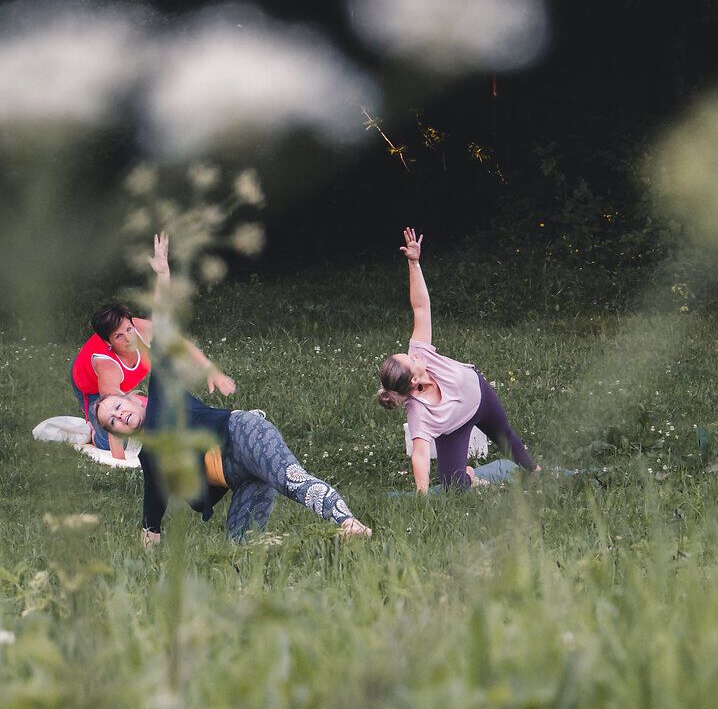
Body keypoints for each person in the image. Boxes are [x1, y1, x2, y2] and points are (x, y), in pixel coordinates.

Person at [94, 375, 371, 546]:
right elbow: (153, 506)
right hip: (239, 477)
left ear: (133, 399)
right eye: (112, 421)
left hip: (243, 434)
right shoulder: (151, 456)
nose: (119, 416)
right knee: (240, 546)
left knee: (290, 479)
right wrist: (148, 544)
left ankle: (349, 524)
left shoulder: (160, 393)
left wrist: (164, 279)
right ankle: (283, 565)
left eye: (118, 407)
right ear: (117, 433)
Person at [375, 228, 537, 492]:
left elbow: (420, 306)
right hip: (455, 428)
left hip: (480, 397)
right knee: (454, 486)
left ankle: (535, 472)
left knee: (505, 436)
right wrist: (422, 494)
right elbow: (419, 453)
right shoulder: (417, 411)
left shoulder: (421, 351)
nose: (413, 353)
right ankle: (470, 475)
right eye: (408, 358)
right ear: (414, 381)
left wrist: (414, 263)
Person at [71, 233, 235, 459]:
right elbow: (114, 426)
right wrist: (120, 461)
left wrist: (210, 369)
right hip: (87, 384)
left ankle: (226, 423)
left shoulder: (140, 329)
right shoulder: (108, 370)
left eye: (128, 329)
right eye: (119, 336)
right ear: (108, 343)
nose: (128, 338)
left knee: (156, 412)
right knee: (108, 433)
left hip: (124, 391)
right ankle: (90, 425)